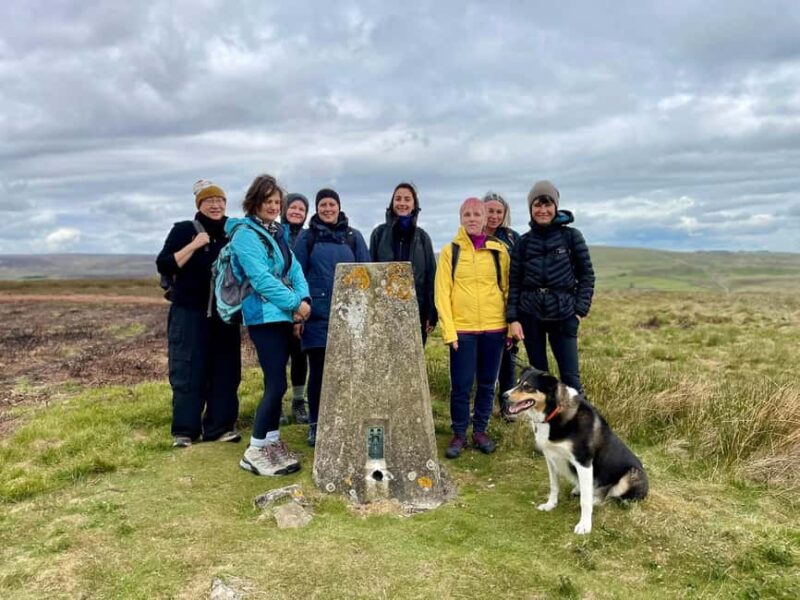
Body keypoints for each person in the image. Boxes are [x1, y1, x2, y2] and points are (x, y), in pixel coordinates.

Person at [226, 174, 311, 476]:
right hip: (263, 317)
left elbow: (295, 268)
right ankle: (254, 450)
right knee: (275, 383)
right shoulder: (245, 234)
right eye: (269, 201)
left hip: (284, 316)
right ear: (255, 201)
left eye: (277, 201)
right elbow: (260, 279)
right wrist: (295, 304)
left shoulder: (276, 232)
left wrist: (305, 301)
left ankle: (271, 443)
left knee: (278, 382)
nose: (274, 206)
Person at [156, 180, 241, 448]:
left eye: (220, 201)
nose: (215, 205)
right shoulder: (184, 230)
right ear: (199, 205)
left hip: (225, 315)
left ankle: (219, 427)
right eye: (209, 201)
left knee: (226, 371)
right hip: (189, 313)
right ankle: (185, 431)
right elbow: (165, 262)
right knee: (187, 368)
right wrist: (194, 245)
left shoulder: (234, 231)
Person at [294, 188, 370, 446]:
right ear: (317, 208)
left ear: (339, 206)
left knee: (347, 374)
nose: (328, 209)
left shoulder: (354, 237)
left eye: (332, 204)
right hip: (316, 318)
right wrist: (298, 316)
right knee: (318, 374)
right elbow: (296, 275)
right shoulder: (307, 238)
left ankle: (345, 421)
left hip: (350, 320)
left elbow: (366, 277)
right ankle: (316, 425)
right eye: (323, 205)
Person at [434, 198, 510, 459]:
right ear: (461, 218)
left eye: (477, 213)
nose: (473, 218)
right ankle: (458, 434)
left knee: (488, 384)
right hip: (463, 331)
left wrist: (509, 326)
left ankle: (480, 431)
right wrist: (449, 331)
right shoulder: (450, 251)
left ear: (485, 216)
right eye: (467, 214)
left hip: (494, 327)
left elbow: (507, 289)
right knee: (462, 386)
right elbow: (441, 293)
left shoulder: (498, 250)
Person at [507, 180, 595, 393]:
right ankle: (546, 423)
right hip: (530, 316)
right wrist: (513, 318)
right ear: (531, 209)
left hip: (564, 314)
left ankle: (578, 424)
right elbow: (515, 282)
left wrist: (579, 312)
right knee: (539, 377)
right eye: (537, 205)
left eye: (547, 205)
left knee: (571, 379)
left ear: (555, 207)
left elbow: (587, 275)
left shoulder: (571, 237)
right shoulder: (524, 242)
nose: (543, 210)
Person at [369, 182, 438, 344]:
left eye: (407, 199)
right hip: (384, 311)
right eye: (398, 199)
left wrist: (431, 313)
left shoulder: (423, 238)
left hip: (416, 311)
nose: (402, 203)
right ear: (392, 203)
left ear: (414, 205)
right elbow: (370, 271)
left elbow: (431, 276)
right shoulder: (378, 234)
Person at [483, 191, 521, 419]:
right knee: (482, 363)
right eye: (490, 211)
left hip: (508, 307)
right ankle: (480, 408)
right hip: (480, 311)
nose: (494, 216)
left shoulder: (513, 238)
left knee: (508, 359)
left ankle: (507, 407)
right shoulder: (472, 236)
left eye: (499, 211)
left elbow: (518, 275)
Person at [280, 192, 311, 424]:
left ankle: (299, 402)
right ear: (284, 209)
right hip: (276, 308)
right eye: (293, 208)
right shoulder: (273, 233)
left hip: (300, 309)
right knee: (276, 359)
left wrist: (301, 311)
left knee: (300, 357)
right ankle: (276, 404)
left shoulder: (309, 237)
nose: (297, 212)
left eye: (301, 209)